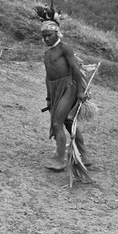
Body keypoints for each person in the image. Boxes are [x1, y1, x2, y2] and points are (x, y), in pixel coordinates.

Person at [39, 13, 92, 171]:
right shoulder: (47, 54)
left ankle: (60, 160)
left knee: (57, 123)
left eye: (49, 35)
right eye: (44, 36)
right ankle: (84, 156)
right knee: (68, 122)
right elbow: (49, 76)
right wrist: (49, 97)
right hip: (55, 90)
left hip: (69, 87)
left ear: (57, 33)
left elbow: (75, 69)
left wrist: (81, 91)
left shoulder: (64, 48)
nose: (47, 39)